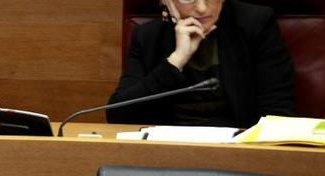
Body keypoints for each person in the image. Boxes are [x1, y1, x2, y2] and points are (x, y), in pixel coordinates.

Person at [106, 0, 295, 128]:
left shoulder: (255, 24)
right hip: (168, 156)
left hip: (239, 152)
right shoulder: (148, 38)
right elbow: (118, 116)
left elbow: (277, 113)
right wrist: (176, 60)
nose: (203, 8)